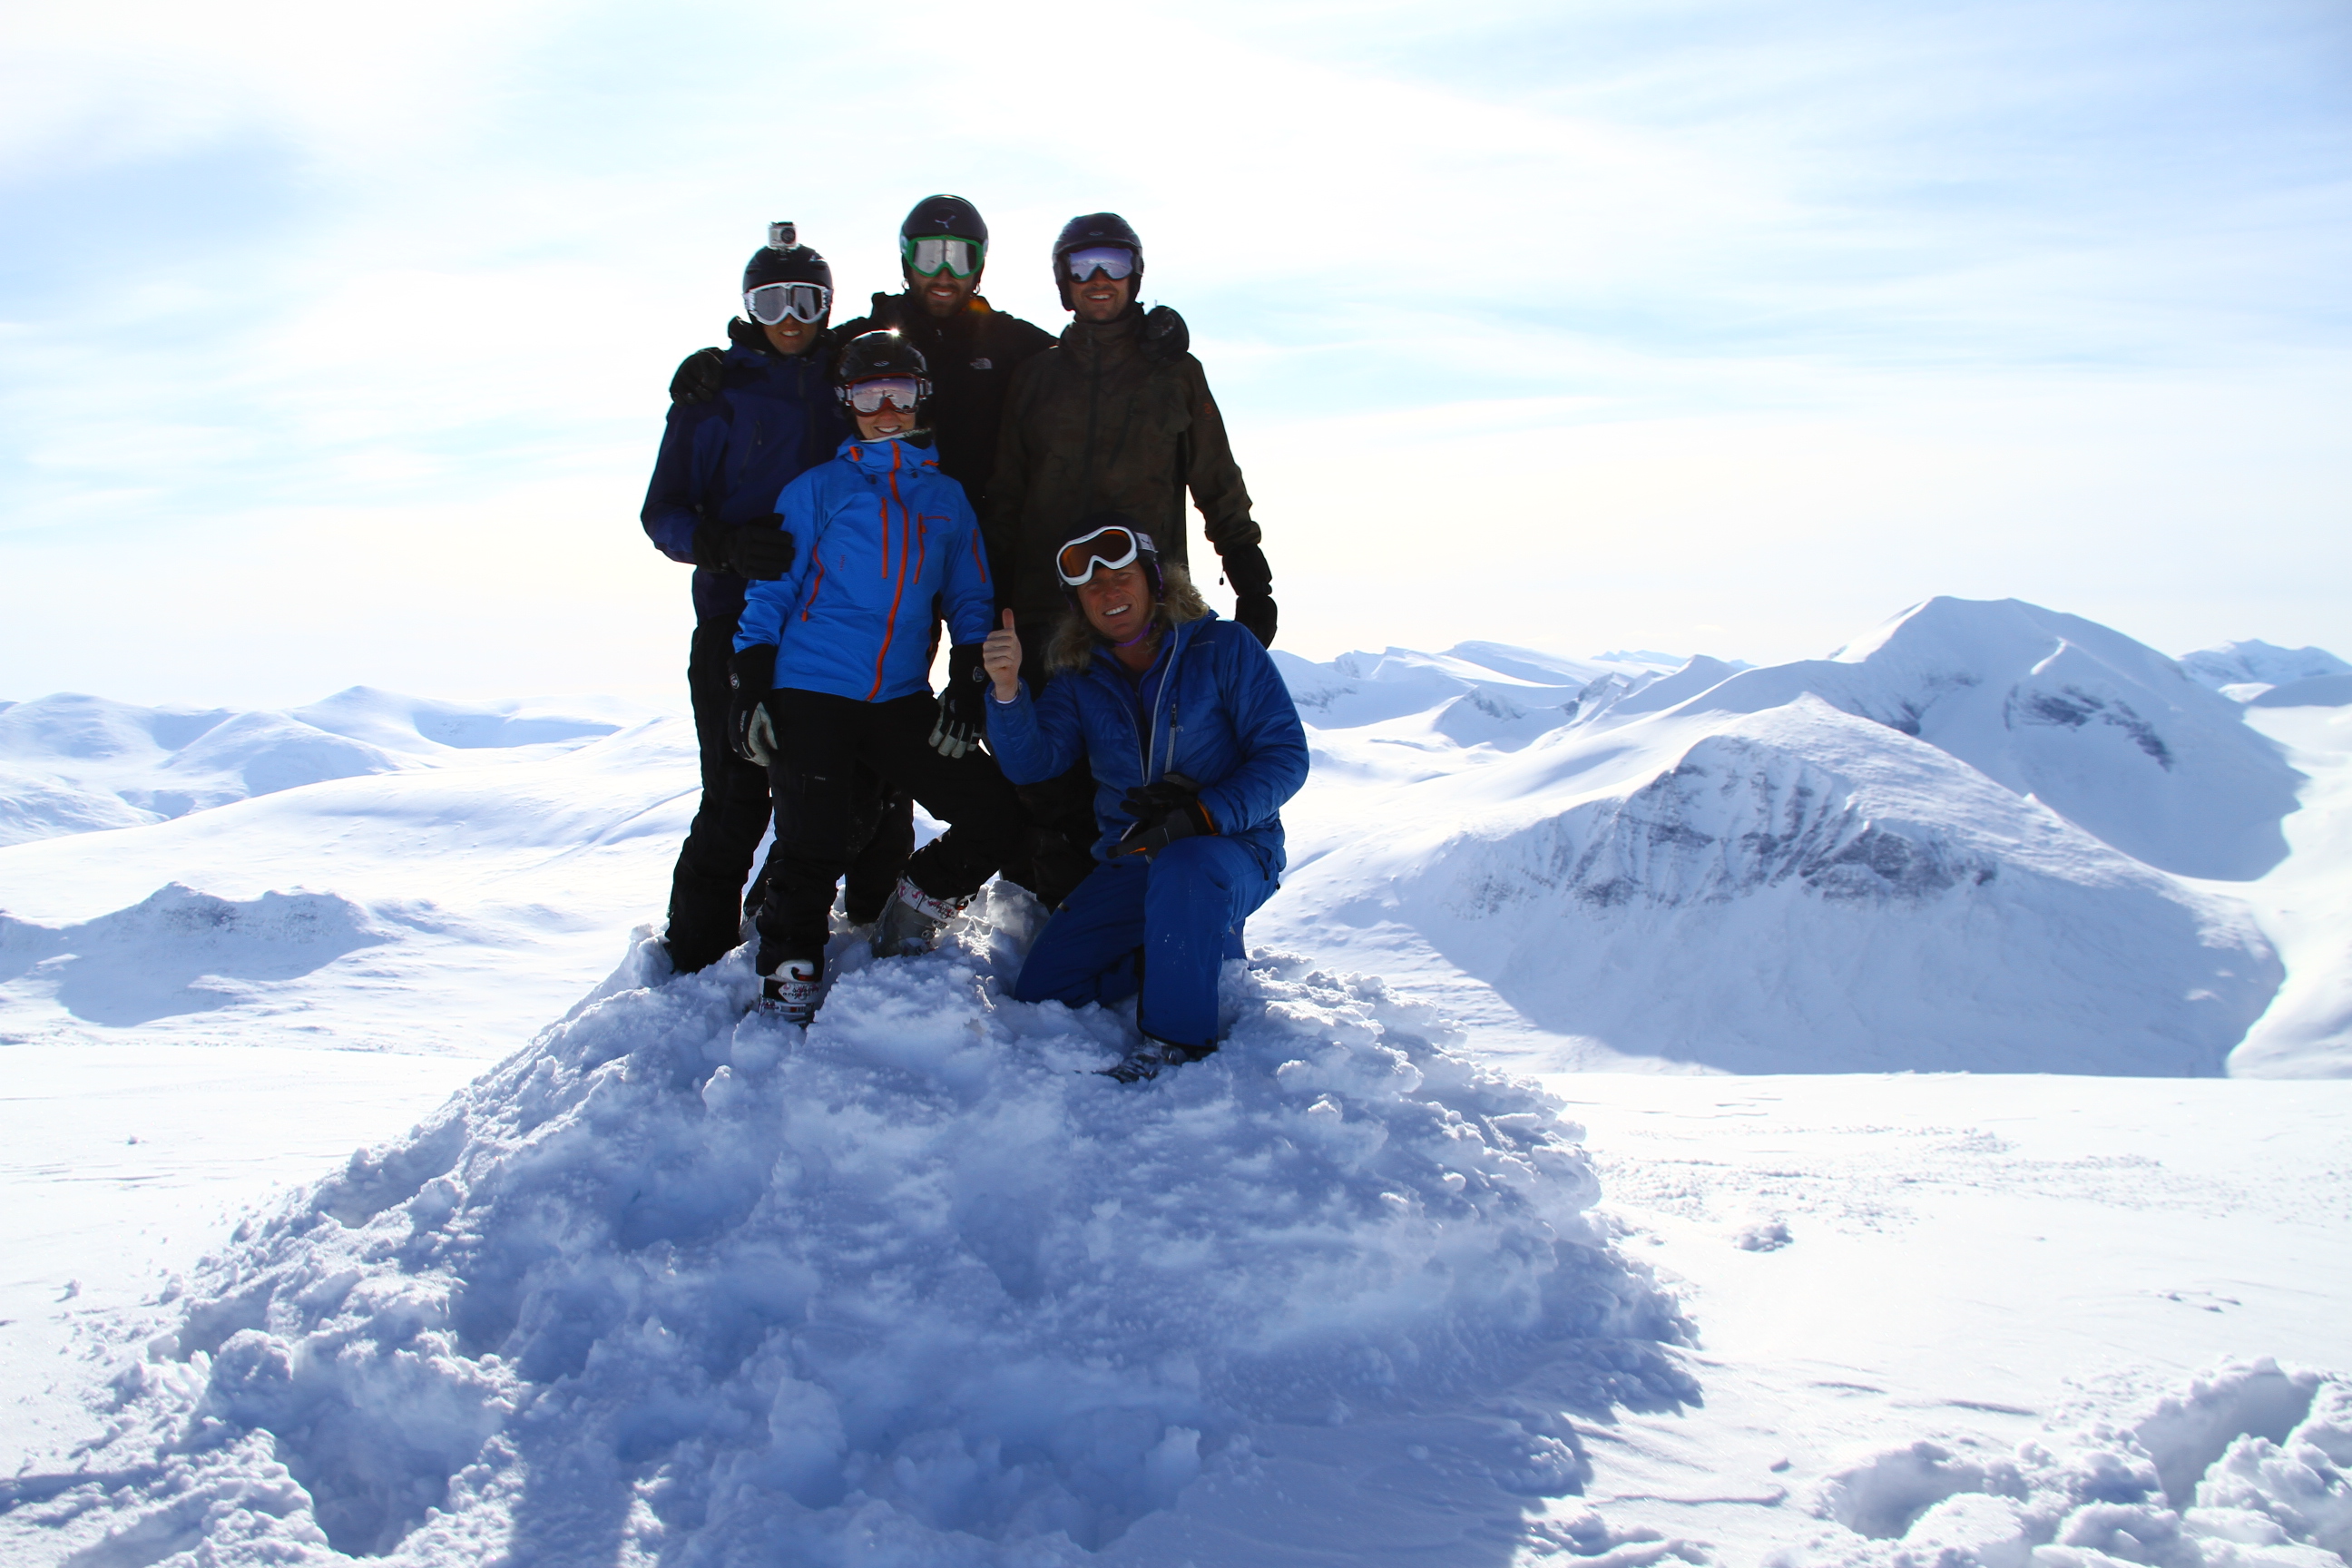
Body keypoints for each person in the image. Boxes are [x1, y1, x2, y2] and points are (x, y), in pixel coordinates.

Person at [984, 212, 1280, 908]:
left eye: (1112, 263)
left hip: (1144, 610)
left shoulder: (1173, 373)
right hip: (1045, 611)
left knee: (1146, 769)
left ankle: (1163, 917)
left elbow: (1218, 484)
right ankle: (1062, 919)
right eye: (1081, 266)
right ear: (1062, 283)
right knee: (1051, 785)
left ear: (1135, 276)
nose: (1097, 281)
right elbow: (1002, 503)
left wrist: (1252, 580)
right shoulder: (1035, 380)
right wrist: (983, 618)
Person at [642, 222, 910, 975]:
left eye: (805, 298)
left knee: (864, 783)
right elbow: (662, 514)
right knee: (736, 795)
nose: (789, 316)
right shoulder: (714, 394)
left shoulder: (846, 375)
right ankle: (693, 955)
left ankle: (860, 920)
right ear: (747, 307)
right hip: (736, 620)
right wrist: (722, 544)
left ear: (828, 303)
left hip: (838, 626)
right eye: (770, 300)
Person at [731, 331, 1024, 1024]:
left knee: (998, 809)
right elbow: (771, 592)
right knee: (813, 841)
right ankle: (789, 971)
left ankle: (918, 899)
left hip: (898, 699)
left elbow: (972, 597)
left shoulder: (947, 499)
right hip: (812, 691)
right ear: (848, 403)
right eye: (868, 394)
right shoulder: (817, 490)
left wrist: (965, 678)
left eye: (900, 393)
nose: (885, 409)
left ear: (922, 400)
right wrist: (751, 683)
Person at [981, 518, 1308, 1081]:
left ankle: (1176, 1041)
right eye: (1090, 587)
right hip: (1135, 857)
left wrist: (1203, 813)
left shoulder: (1223, 646)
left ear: (1155, 581)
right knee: (1045, 988)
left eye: (1121, 576)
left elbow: (1285, 757)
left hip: (1232, 851)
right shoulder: (1080, 677)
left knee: (1186, 866)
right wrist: (1008, 693)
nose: (1108, 593)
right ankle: (1182, 943)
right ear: (1078, 604)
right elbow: (1032, 762)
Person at [831, 194, 1054, 507]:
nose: (945, 274)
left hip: (982, 526)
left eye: (962, 258)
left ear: (979, 268)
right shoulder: (861, 341)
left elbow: (1084, 360)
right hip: (884, 527)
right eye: (930, 258)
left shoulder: (1011, 342)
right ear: (907, 263)